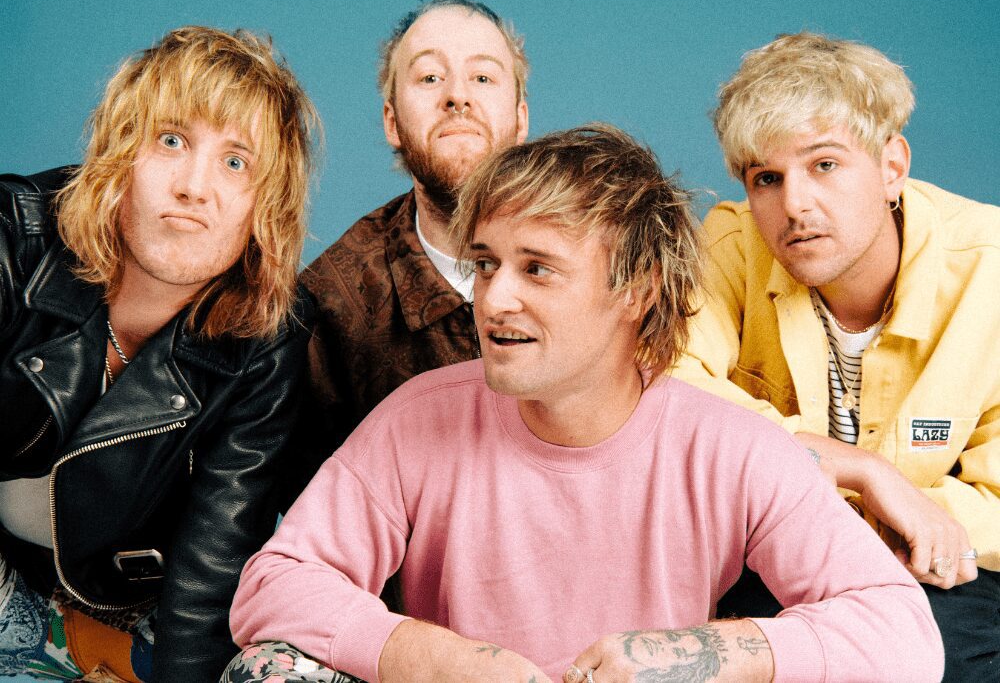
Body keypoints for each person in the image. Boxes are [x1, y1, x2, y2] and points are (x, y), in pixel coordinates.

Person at [223, 125, 943, 683]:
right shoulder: (418, 419)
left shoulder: (731, 448)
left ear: (638, 290)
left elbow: (902, 633)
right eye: (486, 265)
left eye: (537, 269)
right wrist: (433, 658)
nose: (493, 300)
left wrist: (697, 655)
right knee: (269, 669)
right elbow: (275, 585)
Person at [671, 32, 1000, 680]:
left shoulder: (988, 267)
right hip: (775, 562)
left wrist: (881, 516)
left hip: (937, 571)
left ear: (892, 166)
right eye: (767, 178)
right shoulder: (731, 246)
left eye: (824, 165)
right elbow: (666, 387)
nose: (794, 205)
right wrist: (863, 472)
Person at [0, 26, 319, 682]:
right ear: (120, 155)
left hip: (123, 608)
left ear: (266, 205)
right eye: (171, 141)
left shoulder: (268, 335)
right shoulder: (14, 239)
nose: (194, 187)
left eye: (236, 162)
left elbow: (212, 564)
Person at [287, 0, 529, 506]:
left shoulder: (597, 257)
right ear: (392, 122)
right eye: (430, 78)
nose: (458, 96)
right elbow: (317, 524)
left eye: (483, 77)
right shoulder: (328, 303)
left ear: (520, 118)